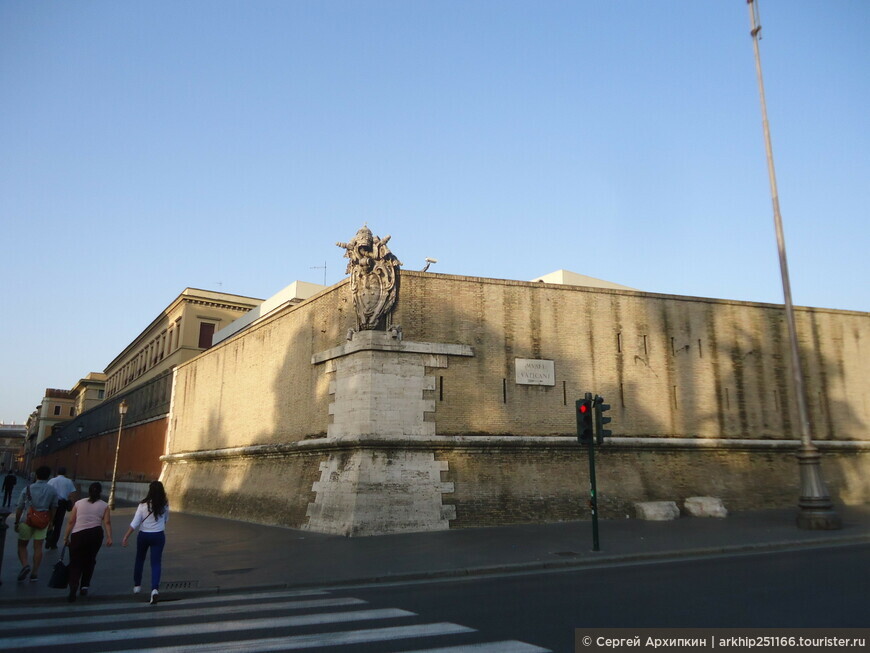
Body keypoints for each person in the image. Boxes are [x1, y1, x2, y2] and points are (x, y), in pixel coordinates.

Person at [122, 481, 169, 605]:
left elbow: (135, 523)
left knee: (140, 559)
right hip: (158, 535)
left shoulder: (143, 505)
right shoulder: (164, 504)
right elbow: (166, 520)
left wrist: (126, 536)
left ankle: (137, 585)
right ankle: (154, 590)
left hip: (143, 535)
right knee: (156, 563)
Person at [64, 482, 112, 602]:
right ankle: (84, 586)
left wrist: (66, 537)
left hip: (78, 534)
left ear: (89, 491)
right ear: (100, 492)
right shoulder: (104, 505)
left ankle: (73, 584)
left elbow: (71, 521)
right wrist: (109, 537)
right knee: (90, 559)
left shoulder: (79, 503)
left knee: (75, 561)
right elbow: (107, 522)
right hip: (95, 534)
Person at [14, 465, 58, 583]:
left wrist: (16, 522)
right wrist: (51, 522)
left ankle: (25, 565)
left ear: (36, 475)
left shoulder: (28, 488)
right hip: (43, 521)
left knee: (22, 545)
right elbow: (54, 507)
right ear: (48, 476)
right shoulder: (52, 490)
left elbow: (19, 507)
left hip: (26, 520)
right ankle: (34, 573)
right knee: (38, 547)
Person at [46, 467, 78, 550]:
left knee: (50, 521)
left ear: (57, 472)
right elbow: (73, 493)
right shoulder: (68, 481)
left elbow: (47, 491)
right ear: (65, 473)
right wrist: (72, 504)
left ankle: (47, 538)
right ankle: (54, 543)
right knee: (58, 524)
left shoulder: (52, 480)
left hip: (52, 504)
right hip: (62, 504)